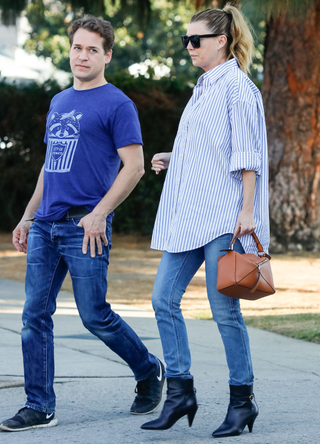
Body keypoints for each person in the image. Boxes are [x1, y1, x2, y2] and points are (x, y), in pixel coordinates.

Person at [0, 15, 165, 433]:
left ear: (107, 55)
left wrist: (100, 213)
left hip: (84, 228)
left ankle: (149, 370)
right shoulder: (59, 101)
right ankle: (39, 406)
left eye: (93, 49)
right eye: (77, 47)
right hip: (45, 227)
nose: (83, 55)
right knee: (34, 315)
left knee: (94, 315)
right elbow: (49, 167)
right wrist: (27, 215)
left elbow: (134, 167)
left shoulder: (117, 104)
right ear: (69, 49)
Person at [141, 3, 269, 438]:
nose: (189, 46)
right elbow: (212, 150)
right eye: (186, 40)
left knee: (224, 310)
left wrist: (247, 211)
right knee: (163, 299)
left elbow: (247, 156)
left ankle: (242, 401)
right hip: (189, 215)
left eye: (196, 39)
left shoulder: (238, 87)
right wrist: (173, 158)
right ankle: (180, 393)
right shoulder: (203, 87)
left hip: (223, 217)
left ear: (221, 41)